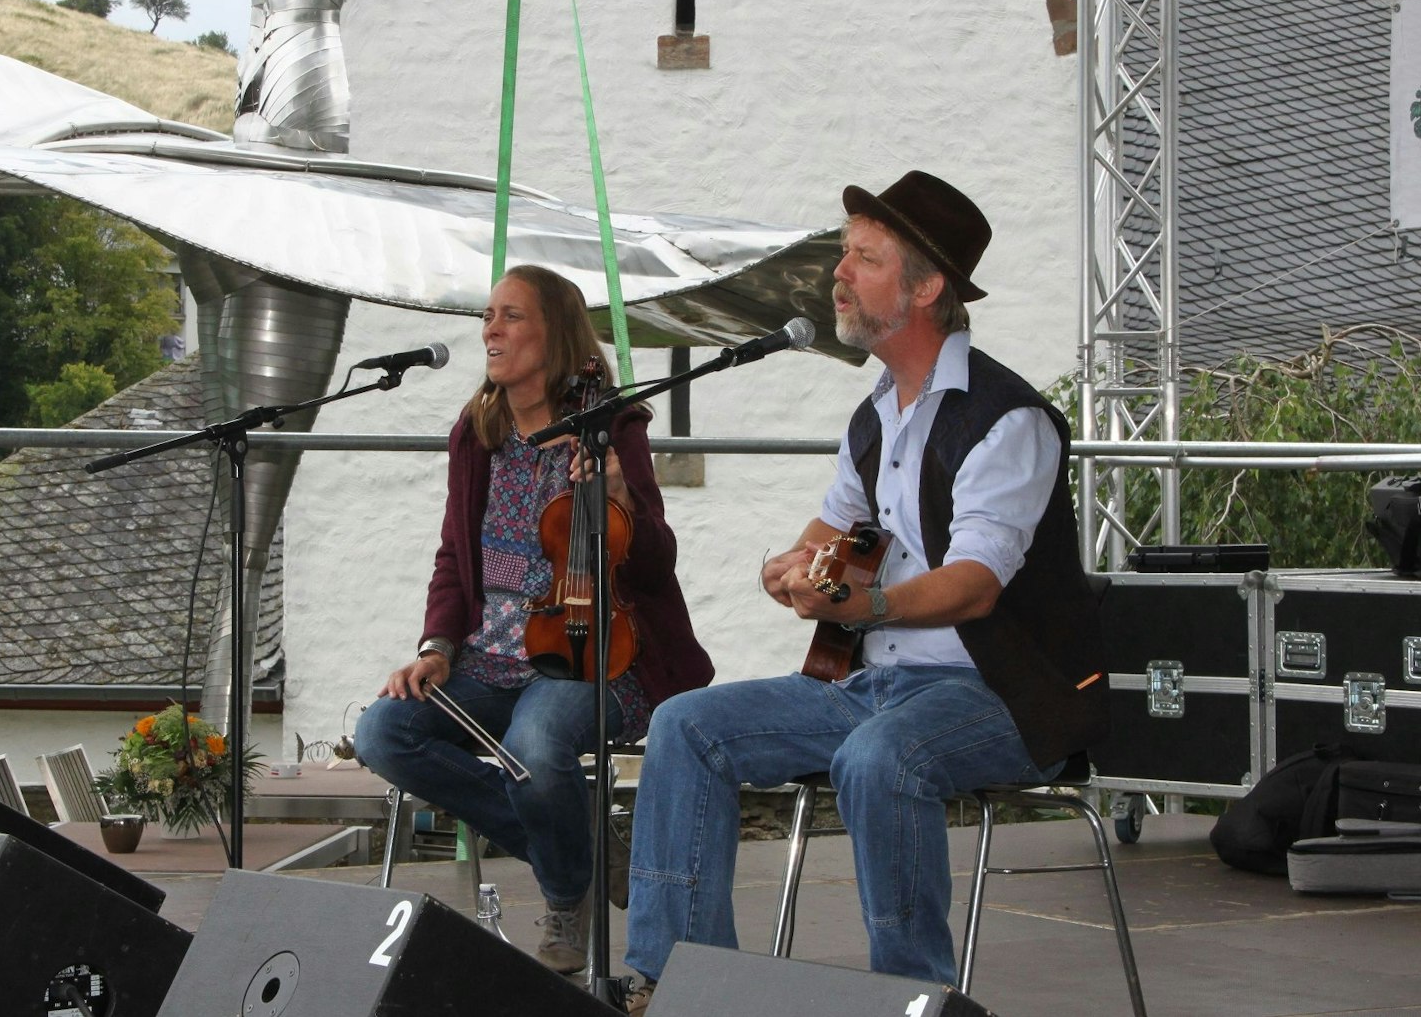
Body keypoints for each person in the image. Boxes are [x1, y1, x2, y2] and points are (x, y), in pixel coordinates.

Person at [621, 171, 1110, 1009]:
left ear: (924, 289)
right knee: (686, 723)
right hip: (874, 684)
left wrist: (871, 605)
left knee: (879, 758)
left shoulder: (1008, 419)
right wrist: (787, 567)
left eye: (863, 258)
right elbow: (833, 533)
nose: (838, 273)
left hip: (1003, 693)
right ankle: (682, 985)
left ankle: (915, 997)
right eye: (844, 254)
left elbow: (976, 584)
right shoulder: (875, 414)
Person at [353, 263, 713, 976]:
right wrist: (437, 646)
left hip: (591, 652)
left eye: (511, 315)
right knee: (383, 730)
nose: (491, 328)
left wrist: (622, 503)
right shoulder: (477, 432)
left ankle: (561, 886)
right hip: (487, 658)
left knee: (536, 738)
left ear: (558, 335)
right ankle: (575, 843)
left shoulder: (612, 426)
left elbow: (654, 565)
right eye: (489, 315)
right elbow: (455, 556)